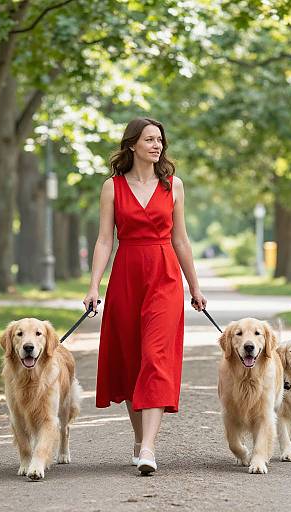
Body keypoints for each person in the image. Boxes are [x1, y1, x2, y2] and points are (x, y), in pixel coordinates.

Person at [83, 117, 206, 475]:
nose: (157, 146)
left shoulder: (174, 186)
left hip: (164, 277)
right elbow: (105, 239)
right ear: (133, 144)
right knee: (132, 361)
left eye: (160, 140)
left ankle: (149, 447)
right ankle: (139, 440)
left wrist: (195, 287)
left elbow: (181, 240)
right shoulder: (112, 187)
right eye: (150, 139)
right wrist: (94, 286)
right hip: (126, 276)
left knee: (155, 358)